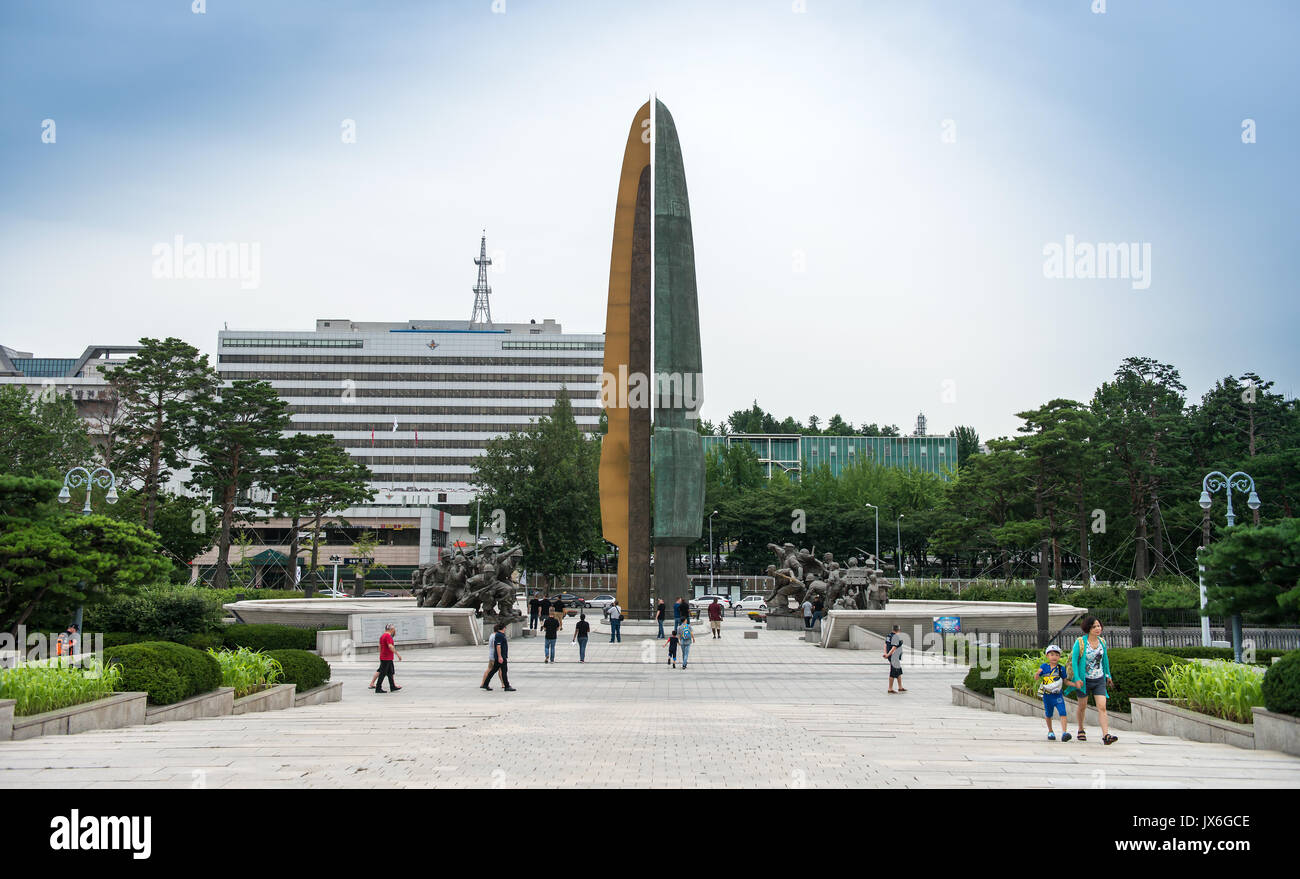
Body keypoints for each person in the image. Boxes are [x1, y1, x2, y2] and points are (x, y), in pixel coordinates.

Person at [1069, 616, 1117, 745]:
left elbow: (1105, 660)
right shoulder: (1080, 642)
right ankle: (1080, 729)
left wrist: (1108, 675)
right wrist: (1077, 678)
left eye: (1099, 626)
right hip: (1084, 680)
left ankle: (1106, 735)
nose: (1097, 628)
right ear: (1088, 628)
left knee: (1102, 706)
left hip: (1099, 679)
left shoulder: (1102, 642)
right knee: (1082, 706)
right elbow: (1074, 661)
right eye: (1094, 626)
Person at [1034, 645, 1072, 741]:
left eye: (1056, 655)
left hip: (1058, 695)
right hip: (1047, 695)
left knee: (1062, 712)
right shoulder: (1044, 667)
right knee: (1048, 714)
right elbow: (1036, 677)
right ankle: (1050, 731)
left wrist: (1075, 684)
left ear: (1059, 657)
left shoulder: (1061, 668)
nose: (1054, 657)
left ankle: (1064, 733)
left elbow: (1065, 681)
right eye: (1051, 654)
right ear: (1047, 656)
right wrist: (1038, 673)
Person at [481, 622, 516, 691]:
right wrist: (500, 656)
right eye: (505, 627)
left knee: (493, 670)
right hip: (501, 657)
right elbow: (498, 646)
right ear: (503, 628)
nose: (505, 629)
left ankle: (485, 684)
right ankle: (507, 686)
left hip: (500, 656)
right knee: (504, 671)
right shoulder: (499, 635)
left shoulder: (500, 635)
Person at [374, 624, 402, 694]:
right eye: (394, 629)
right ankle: (378, 688)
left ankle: (392, 687)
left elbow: (379, 647)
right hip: (387, 658)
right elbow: (390, 646)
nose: (394, 631)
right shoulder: (388, 636)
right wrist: (397, 654)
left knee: (390, 673)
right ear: (391, 629)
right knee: (382, 673)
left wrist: (381, 654)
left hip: (385, 657)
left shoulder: (382, 636)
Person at [884, 624, 905, 693]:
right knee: (893, 672)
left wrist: (886, 653)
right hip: (893, 657)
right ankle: (890, 688)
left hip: (891, 656)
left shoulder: (888, 636)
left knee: (898, 671)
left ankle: (900, 687)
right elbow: (894, 648)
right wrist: (888, 655)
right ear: (898, 630)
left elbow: (885, 645)